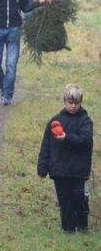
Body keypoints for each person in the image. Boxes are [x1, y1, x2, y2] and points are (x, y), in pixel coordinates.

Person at [37, 84, 94, 233]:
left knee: (80, 198)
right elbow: (46, 145)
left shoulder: (85, 121)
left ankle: (82, 226)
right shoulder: (55, 121)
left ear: (80, 102)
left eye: (76, 103)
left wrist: (66, 138)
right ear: (64, 101)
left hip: (78, 169)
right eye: (70, 102)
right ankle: (68, 228)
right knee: (65, 200)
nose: (73, 106)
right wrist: (42, 167)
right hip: (59, 169)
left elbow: (85, 140)